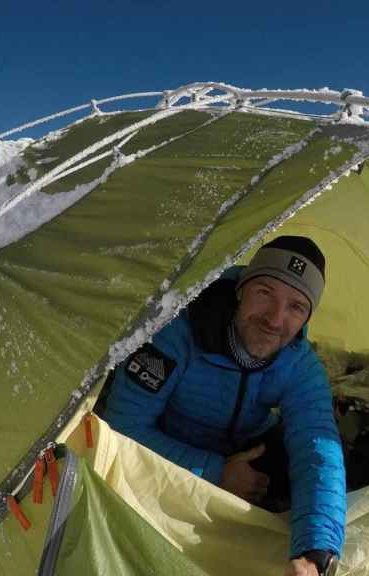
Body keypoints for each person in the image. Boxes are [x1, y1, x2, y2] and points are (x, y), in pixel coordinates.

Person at [102, 236, 344, 576]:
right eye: (265, 293)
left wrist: (315, 552)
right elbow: (120, 429)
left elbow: (318, 448)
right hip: (168, 447)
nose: (275, 319)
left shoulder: (298, 364)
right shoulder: (175, 332)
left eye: (295, 307)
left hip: (247, 452)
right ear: (240, 290)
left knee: (324, 473)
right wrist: (216, 473)